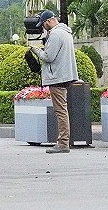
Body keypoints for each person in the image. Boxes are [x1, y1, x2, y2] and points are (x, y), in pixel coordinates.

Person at [30, 10, 78, 153]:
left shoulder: (56, 34)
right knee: (62, 110)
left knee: (61, 111)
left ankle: (63, 143)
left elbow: (49, 57)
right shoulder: (66, 32)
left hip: (57, 77)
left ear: (49, 21)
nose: (44, 27)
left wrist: (36, 50)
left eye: (44, 24)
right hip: (65, 75)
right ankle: (63, 142)